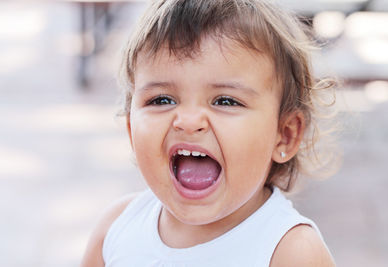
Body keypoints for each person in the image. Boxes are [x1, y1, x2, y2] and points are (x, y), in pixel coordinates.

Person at [81, 0, 337, 266]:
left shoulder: (290, 252)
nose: (188, 121)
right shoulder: (115, 230)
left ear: (284, 135)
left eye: (225, 101)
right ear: (131, 127)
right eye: (162, 100)